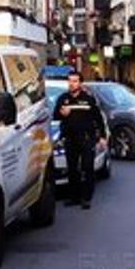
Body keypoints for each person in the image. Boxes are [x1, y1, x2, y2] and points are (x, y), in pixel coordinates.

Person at [52, 72, 107, 210]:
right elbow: (55, 116)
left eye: (75, 81)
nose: (72, 84)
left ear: (80, 83)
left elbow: (98, 118)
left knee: (87, 168)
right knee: (72, 169)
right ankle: (74, 197)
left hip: (86, 138)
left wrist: (102, 137)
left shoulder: (88, 100)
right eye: (70, 81)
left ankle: (86, 198)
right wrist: (61, 113)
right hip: (70, 139)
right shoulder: (63, 99)